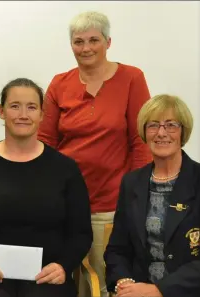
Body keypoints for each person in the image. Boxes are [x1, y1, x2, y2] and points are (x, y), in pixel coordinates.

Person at [37, 11, 153, 296]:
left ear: (108, 42)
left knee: (103, 282)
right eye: (78, 41)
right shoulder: (59, 83)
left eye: (93, 40)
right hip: (64, 203)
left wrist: (136, 196)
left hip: (111, 205)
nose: (86, 48)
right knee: (60, 280)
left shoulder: (131, 78)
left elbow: (142, 141)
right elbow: (45, 141)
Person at [0, 78, 93, 297]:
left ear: (42, 114)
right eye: (15, 106)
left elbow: (80, 233)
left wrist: (63, 266)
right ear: (1, 111)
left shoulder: (65, 169)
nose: (23, 115)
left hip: (47, 278)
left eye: (31, 107)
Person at [104, 94, 200, 297]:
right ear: (144, 132)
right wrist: (124, 282)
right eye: (153, 125)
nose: (161, 133)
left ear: (183, 132)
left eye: (171, 125)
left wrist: (160, 290)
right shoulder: (131, 183)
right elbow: (117, 249)